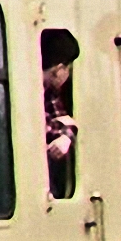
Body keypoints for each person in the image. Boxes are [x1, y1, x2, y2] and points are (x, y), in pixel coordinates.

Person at [40, 44, 79, 198]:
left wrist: (67, 133)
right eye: (68, 70)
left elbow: (64, 121)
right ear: (59, 69)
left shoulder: (50, 93)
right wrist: (66, 130)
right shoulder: (30, 91)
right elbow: (44, 128)